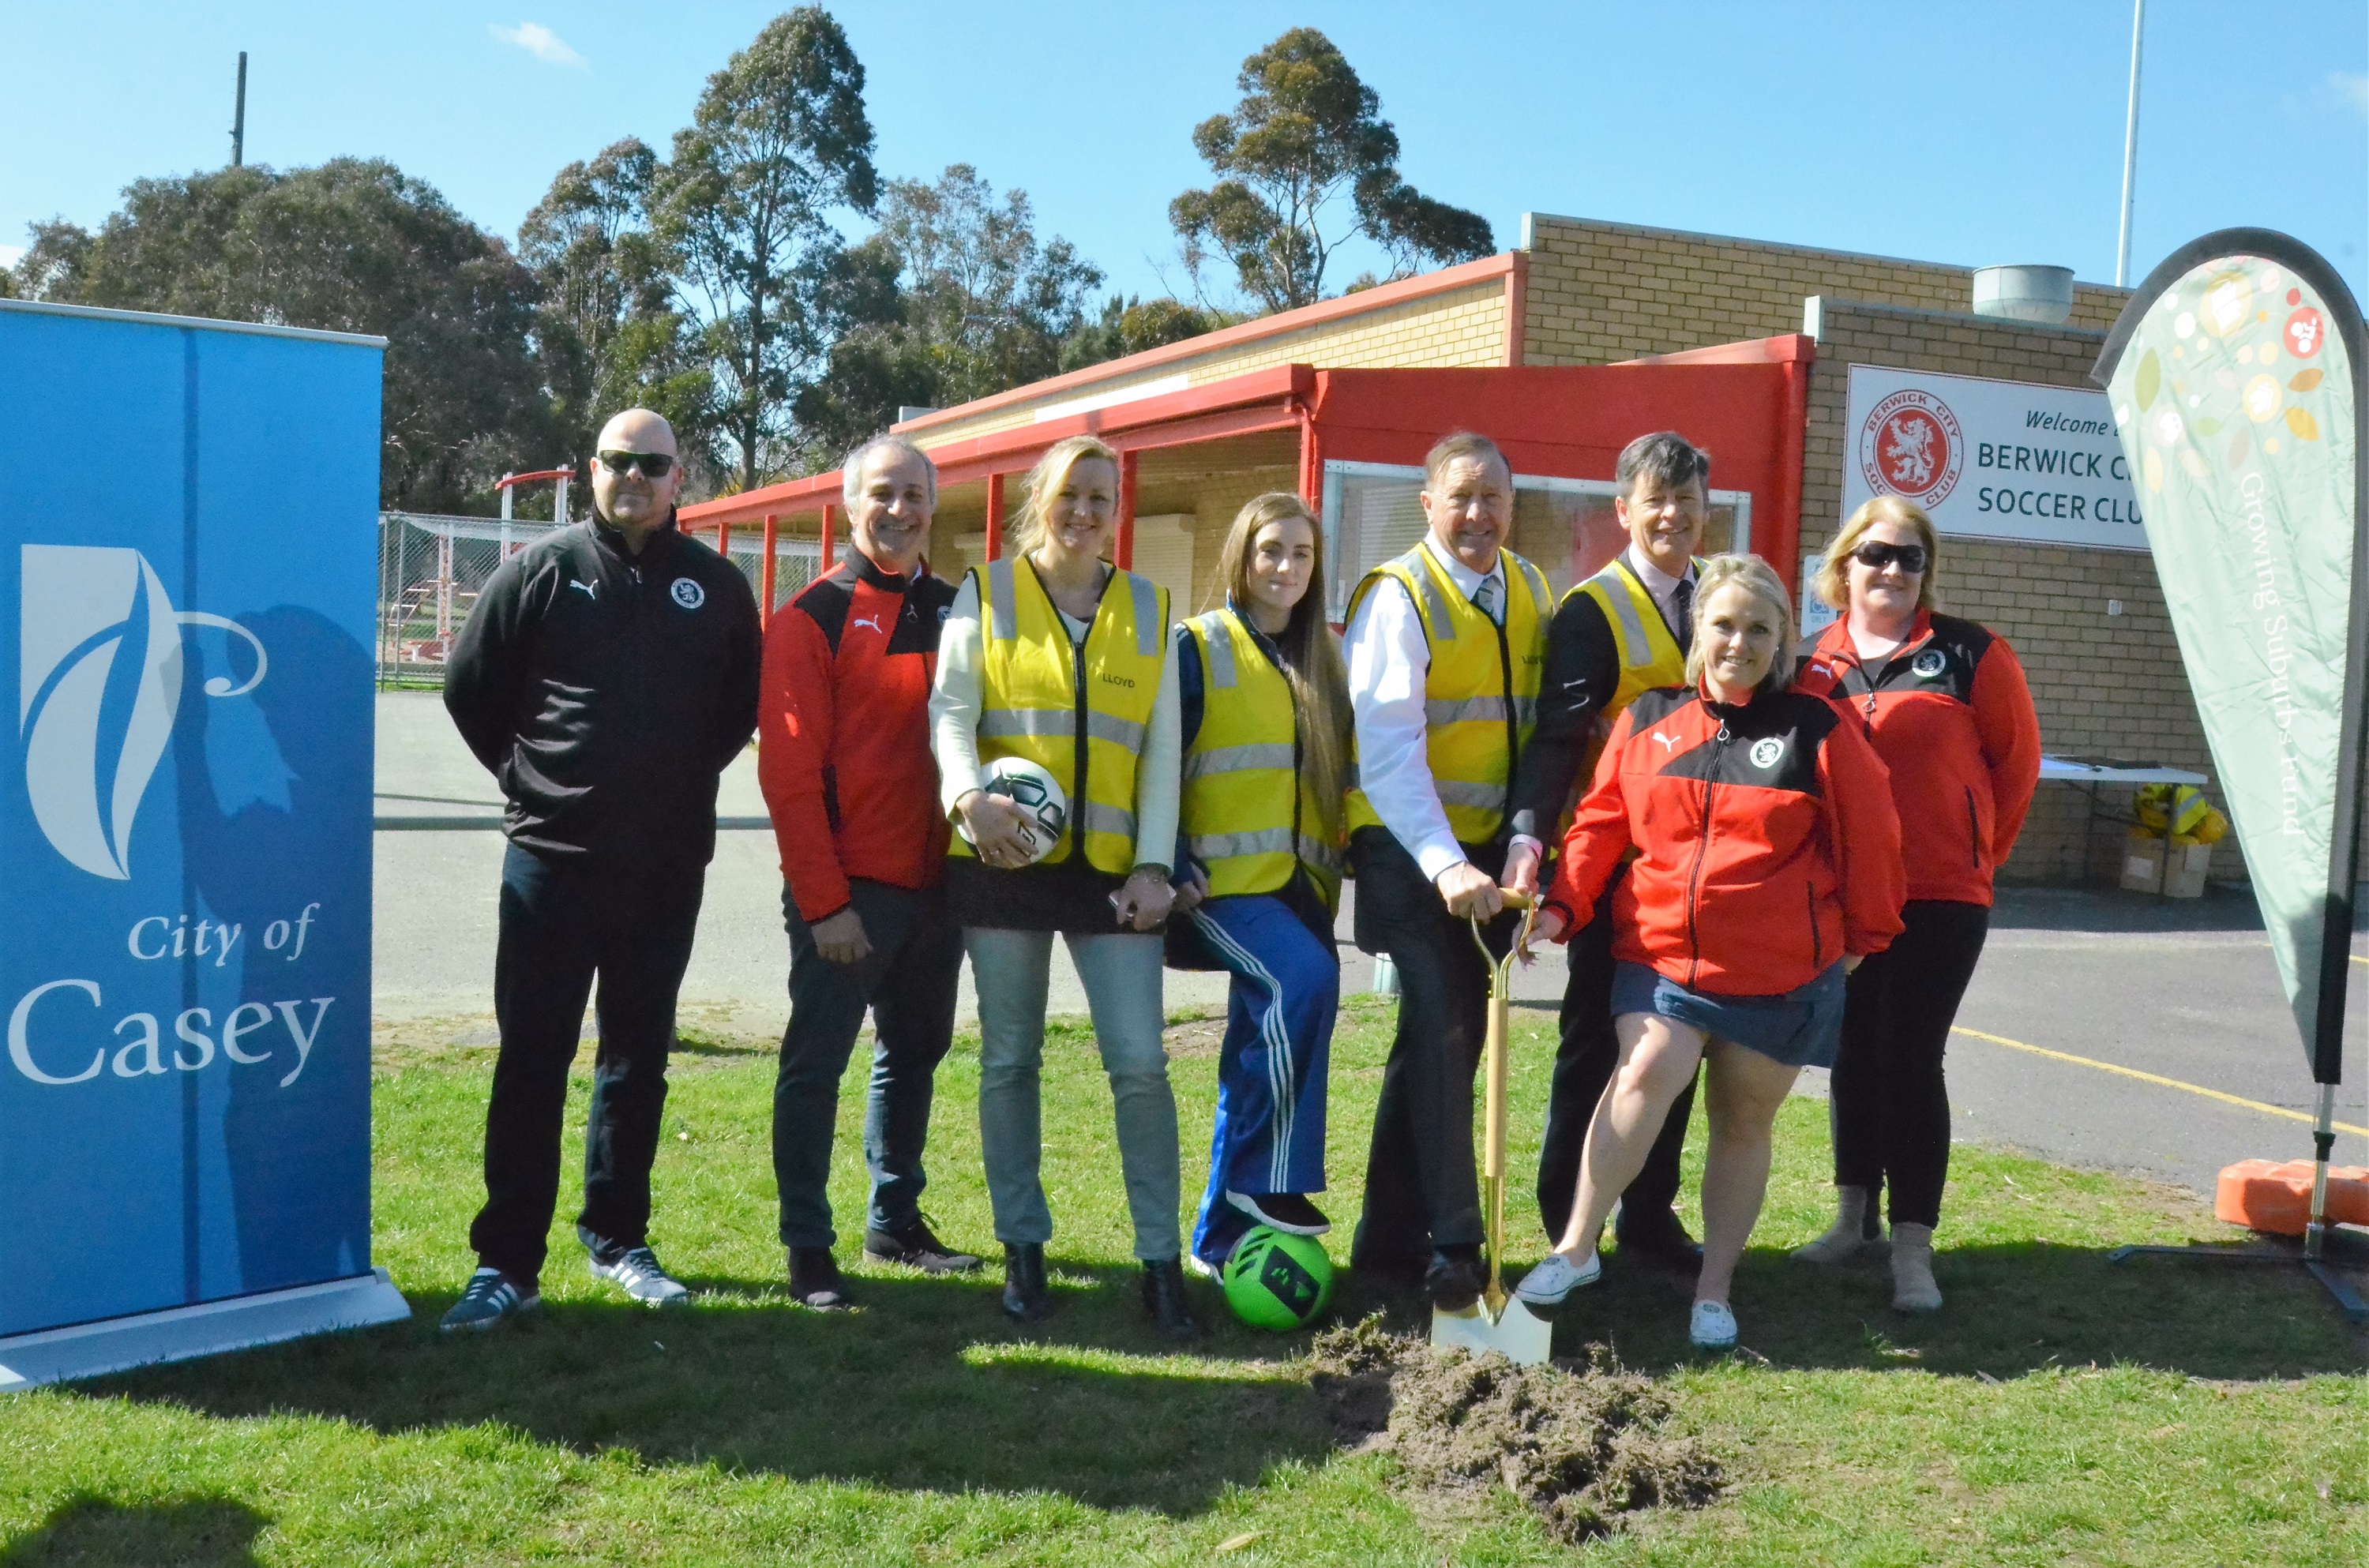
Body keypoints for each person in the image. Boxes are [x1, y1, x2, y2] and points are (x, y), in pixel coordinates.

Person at [1514, 554, 1903, 1350]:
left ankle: (1714, 1291)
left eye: (1760, 629)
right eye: (1724, 624)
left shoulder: (1818, 729)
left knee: (1742, 1122)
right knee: (1650, 1065)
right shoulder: (1648, 720)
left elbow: (1874, 843)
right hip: (1660, 959)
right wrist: (1563, 904)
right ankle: (1575, 1247)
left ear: (1782, 641)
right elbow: (1599, 826)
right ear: (1700, 632)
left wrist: (1863, 943)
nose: (1740, 642)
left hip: (1779, 973)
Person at [438, 409, 761, 1330]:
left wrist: (667, 784)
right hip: (550, 864)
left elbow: (736, 710)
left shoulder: (715, 586)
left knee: (636, 1061)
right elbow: (471, 687)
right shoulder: (538, 572)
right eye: (618, 461)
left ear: (678, 477)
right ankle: (507, 1263)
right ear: (592, 470)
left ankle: (619, 1237)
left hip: (664, 870)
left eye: (651, 464)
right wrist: (526, 775)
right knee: (532, 1060)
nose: (634, 476)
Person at [929, 433, 1198, 1336]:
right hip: (1005, 866)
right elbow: (952, 712)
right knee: (1009, 1060)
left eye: (1101, 496)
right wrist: (969, 800)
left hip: (1117, 881)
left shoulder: (1152, 609)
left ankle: (1160, 1264)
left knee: (1140, 1064)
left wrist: (1156, 866)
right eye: (1069, 494)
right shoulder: (985, 593)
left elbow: (1162, 754)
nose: (1084, 512)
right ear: (1039, 498)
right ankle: (1023, 1249)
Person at [1790, 497, 2040, 1311]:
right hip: (1844, 898)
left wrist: (1976, 859)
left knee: (1912, 1057)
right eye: (1875, 555)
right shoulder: (1810, 665)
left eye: (1909, 557)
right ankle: (1850, 1220)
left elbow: (2016, 767)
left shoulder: (1971, 653)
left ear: (1926, 570)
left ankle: (1913, 1251)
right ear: (1844, 565)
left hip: (1942, 898)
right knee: (1856, 1053)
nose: (1891, 570)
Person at [760, 434, 982, 1313]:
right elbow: (787, 777)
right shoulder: (811, 616)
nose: (899, 510)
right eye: (882, 494)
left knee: (914, 1051)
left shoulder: (961, 607)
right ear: (850, 505)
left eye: (915, 495)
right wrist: (826, 904)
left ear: (935, 505)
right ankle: (807, 1250)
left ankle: (895, 1219)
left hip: (941, 888)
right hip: (852, 894)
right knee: (816, 1066)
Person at [1342, 431, 1556, 1311]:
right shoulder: (1399, 597)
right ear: (1426, 504)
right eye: (1461, 497)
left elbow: (1540, 732)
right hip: (1405, 846)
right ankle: (1456, 1250)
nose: (1479, 515)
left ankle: (1383, 1244)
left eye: (1494, 497)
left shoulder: (1533, 588)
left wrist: (1523, 844)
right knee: (1444, 1030)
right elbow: (1388, 756)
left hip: (1491, 857)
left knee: (1436, 1044)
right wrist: (1445, 866)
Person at [1505, 431, 1715, 1268]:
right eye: (1656, 501)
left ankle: (1650, 1211)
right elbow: (1558, 740)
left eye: (1688, 500)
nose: (1673, 515)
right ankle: (1570, 1217)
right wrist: (1533, 842)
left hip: (1697, 872)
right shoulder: (1592, 610)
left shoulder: (1718, 601)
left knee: (1678, 1044)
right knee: (1595, 1039)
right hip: (1610, 870)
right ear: (1624, 511)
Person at [1169, 493, 1353, 1277]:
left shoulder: (1320, 660)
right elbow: (1154, 764)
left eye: (1301, 554)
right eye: (1270, 550)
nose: (1285, 567)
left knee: (1256, 1049)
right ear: (1241, 558)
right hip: (1213, 892)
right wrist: (1168, 860)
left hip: (1297, 892)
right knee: (1306, 980)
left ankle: (1216, 1242)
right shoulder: (1197, 647)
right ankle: (1267, 1180)